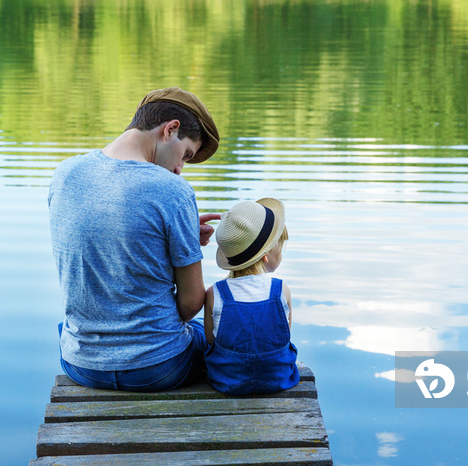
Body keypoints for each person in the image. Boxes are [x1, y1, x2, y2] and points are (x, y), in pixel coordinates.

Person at [48, 87, 220, 391]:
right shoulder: (173, 191)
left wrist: (181, 234)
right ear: (170, 129)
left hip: (82, 365)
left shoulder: (65, 174)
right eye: (186, 155)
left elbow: (102, 241)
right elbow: (191, 304)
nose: (180, 169)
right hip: (157, 369)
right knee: (213, 332)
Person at [203, 198, 300, 395]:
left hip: (227, 381)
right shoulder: (282, 290)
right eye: (279, 246)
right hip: (278, 378)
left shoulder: (215, 293)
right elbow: (284, 339)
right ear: (265, 255)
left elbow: (210, 341)